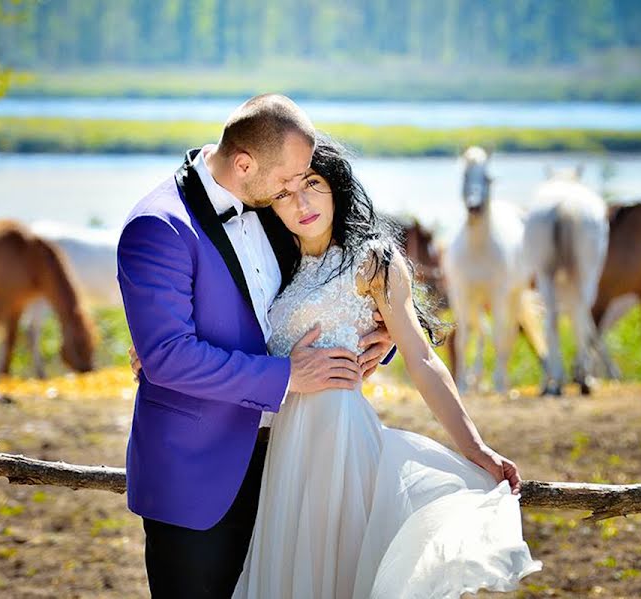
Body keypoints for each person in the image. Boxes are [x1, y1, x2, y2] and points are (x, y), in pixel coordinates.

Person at [230, 137, 541, 598]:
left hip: (342, 442)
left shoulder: (374, 261)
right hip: (286, 453)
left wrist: (475, 447)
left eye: (312, 184)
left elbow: (422, 357)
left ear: (336, 186)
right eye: (283, 193)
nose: (301, 202)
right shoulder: (279, 268)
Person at [117, 94, 396, 597]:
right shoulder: (158, 227)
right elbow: (167, 356)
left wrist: (382, 334)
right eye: (289, 179)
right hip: (200, 476)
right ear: (244, 164)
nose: (298, 191)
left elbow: (330, 282)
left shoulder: (269, 206)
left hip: (293, 464)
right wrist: (288, 376)